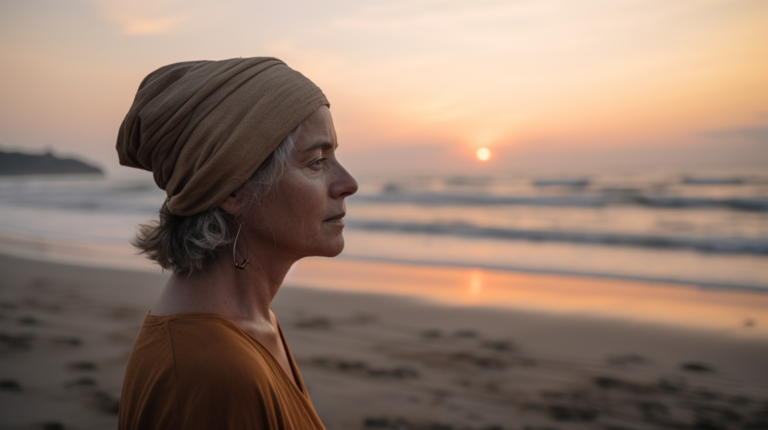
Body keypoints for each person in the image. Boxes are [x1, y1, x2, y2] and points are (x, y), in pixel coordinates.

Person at [115, 57, 357, 429]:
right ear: (232, 188)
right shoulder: (216, 372)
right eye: (316, 161)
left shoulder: (252, 324)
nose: (348, 184)